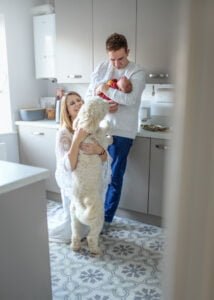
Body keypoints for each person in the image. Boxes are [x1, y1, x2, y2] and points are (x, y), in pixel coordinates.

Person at [86, 32, 145, 228]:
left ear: (128, 51)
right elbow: (89, 95)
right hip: (100, 129)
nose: (117, 64)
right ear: (107, 55)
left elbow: (131, 100)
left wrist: (104, 89)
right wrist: (103, 102)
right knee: (96, 173)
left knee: (114, 176)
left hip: (123, 133)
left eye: (121, 59)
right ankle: (92, 214)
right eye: (113, 59)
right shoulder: (102, 67)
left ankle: (105, 220)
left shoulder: (137, 72)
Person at [49, 91, 108, 243]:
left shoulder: (95, 128)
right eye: (72, 103)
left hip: (92, 182)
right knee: (73, 228)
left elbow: (105, 159)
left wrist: (99, 150)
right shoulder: (63, 134)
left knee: (93, 217)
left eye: (79, 100)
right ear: (66, 111)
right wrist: (77, 139)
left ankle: (93, 228)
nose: (77, 104)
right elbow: (69, 167)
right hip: (74, 184)